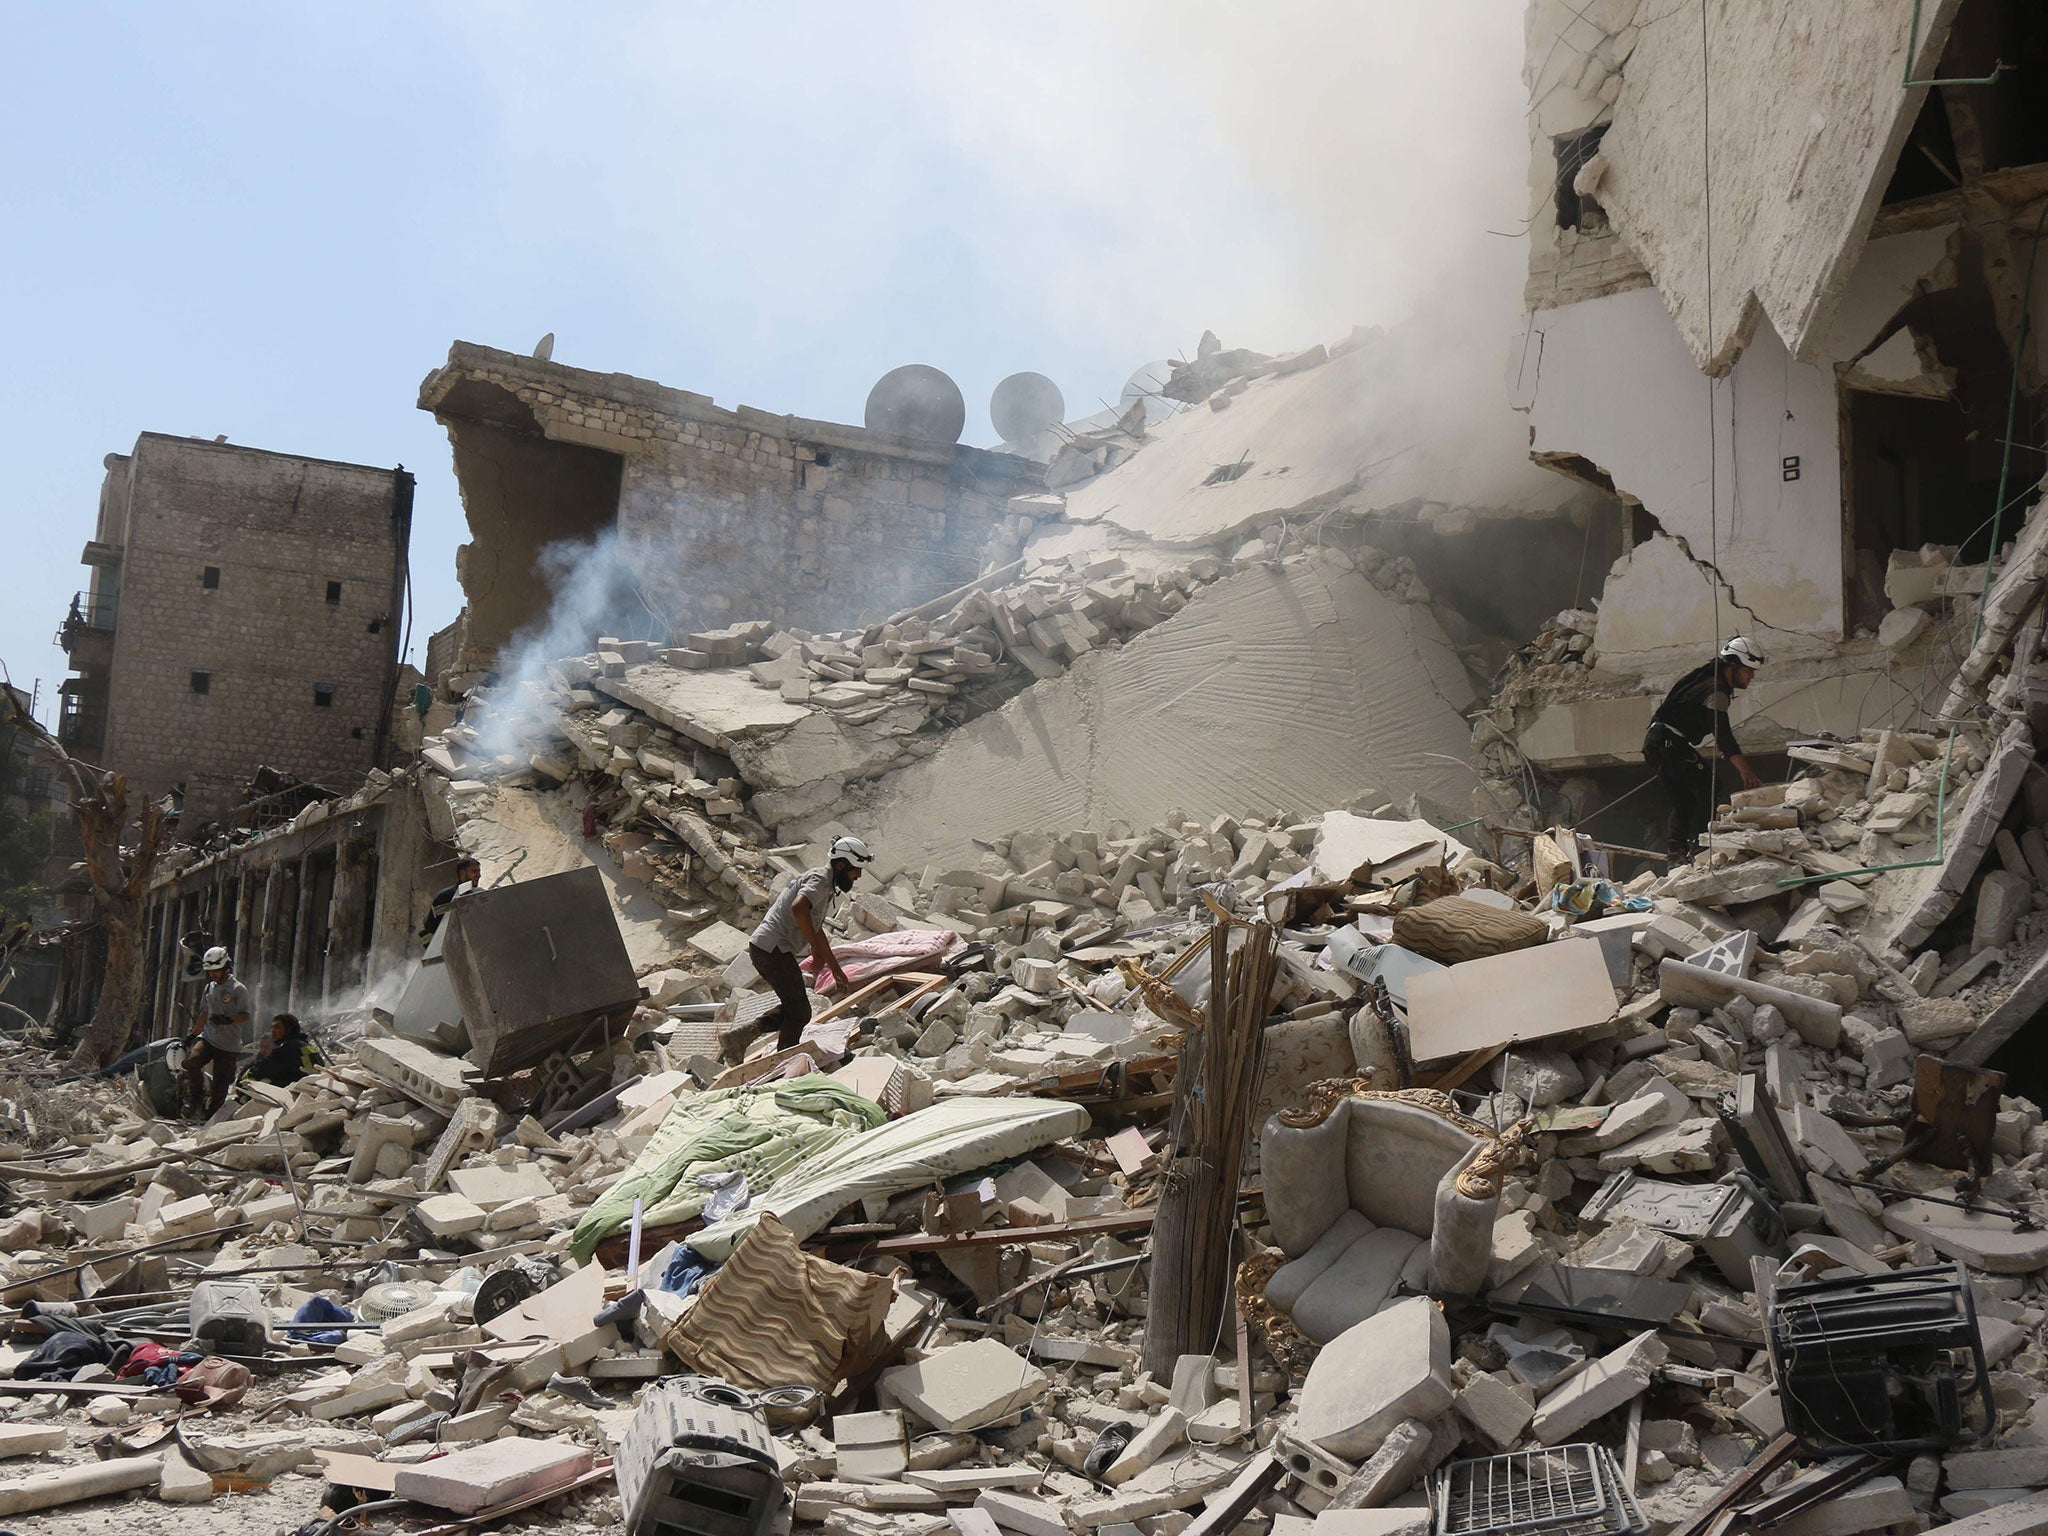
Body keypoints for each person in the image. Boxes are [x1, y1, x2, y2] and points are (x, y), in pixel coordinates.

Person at [746, 836, 875, 1050]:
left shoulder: (824, 882)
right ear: (841, 865)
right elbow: (799, 908)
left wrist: (834, 969)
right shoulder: (820, 879)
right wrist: (815, 949)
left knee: (795, 1007)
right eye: (856, 870)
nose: (858, 876)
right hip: (773, 949)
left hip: (768, 948)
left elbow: (816, 929)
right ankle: (785, 1060)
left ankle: (745, 1034)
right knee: (800, 1012)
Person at [1643, 636, 1766, 859]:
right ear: (1734, 666)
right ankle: (1698, 845)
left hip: (1659, 741)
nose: (1751, 676)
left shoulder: (1706, 675)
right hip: (1669, 743)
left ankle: (1678, 852)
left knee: (1685, 800)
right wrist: (1745, 770)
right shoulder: (1716, 690)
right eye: (1748, 670)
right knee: (1708, 786)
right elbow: (1724, 735)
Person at [185, 947, 252, 1116]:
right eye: (210, 971)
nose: (213, 975)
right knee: (192, 1062)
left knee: (220, 1085)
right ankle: (195, 1099)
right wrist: (192, 1035)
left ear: (226, 968)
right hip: (208, 1038)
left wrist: (229, 1019)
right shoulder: (209, 988)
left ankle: (211, 1117)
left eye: (216, 971)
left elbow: (245, 1016)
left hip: (229, 1045)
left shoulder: (238, 989)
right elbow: (204, 1014)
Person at [244, 1013, 318, 1087]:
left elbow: (263, 1069)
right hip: (309, 1085)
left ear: (289, 1029)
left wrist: (249, 1069)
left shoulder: (287, 1048)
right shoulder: (308, 1045)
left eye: (277, 1027)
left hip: (295, 1086)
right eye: (272, 1027)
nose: (272, 1030)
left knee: (259, 1082)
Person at [419, 857, 482, 944]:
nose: (479, 875)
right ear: (462, 873)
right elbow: (430, 929)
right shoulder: (445, 897)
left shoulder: (480, 894)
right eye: (474, 871)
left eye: (479, 871)